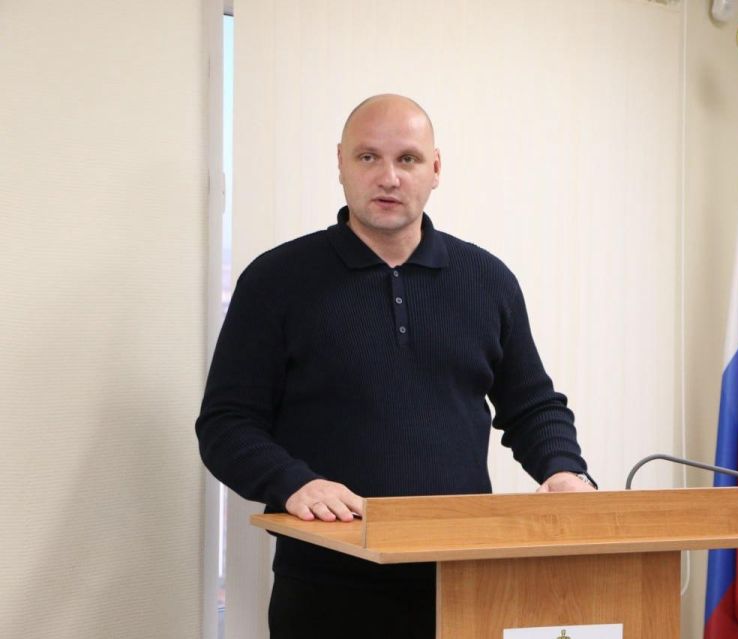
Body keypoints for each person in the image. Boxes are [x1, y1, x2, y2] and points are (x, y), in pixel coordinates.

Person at [195, 94, 596, 638]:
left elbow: (531, 406)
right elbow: (226, 425)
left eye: (407, 158)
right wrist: (294, 483)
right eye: (368, 157)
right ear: (340, 163)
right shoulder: (276, 280)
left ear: (436, 169)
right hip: (326, 587)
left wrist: (564, 471)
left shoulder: (487, 280)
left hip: (466, 580)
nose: (388, 177)